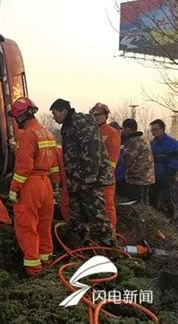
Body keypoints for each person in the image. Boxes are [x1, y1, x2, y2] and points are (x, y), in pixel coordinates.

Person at [49, 98, 115, 247]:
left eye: (55, 113)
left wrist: (90, 176)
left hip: (89, 180)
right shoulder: (68, 126)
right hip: (77, 181)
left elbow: (92, 149)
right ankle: (81, 248)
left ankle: (110, 249)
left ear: (64, 111)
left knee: (97, 216)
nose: (53, 117)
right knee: (76, 217)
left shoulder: (82, 122)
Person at [8, 97, 59, 277]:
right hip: (46, 186)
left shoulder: (27, 135)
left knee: (27, 228)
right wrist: (55, 183)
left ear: (20, 117)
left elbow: (24, 167)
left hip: (31, 185)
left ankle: (34, 271)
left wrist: (14, 189)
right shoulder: (46, 132)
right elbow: (53, 163)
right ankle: (46, 263)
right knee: (44, 227)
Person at [89, 103, 121, 230]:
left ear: (106, 116)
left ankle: (110, 233)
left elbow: (112, 159)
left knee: (107, 206)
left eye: (99, 114)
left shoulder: (112, 133)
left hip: (104, 178)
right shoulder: (91, 132)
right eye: (93, 114)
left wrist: (105, 175)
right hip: (92, 177)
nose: (95, 117)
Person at [149, 119, 178, 220]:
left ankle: (173, 221)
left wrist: (168, 172)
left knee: (169, 200)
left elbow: (175, 161)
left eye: (155, 129)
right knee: (153, 200)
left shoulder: (172, 144)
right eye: (152, 130)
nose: (153, 132)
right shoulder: (152, 144)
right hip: (154, 177)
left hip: (168, 177)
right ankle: (155, 221)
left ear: (162, 129)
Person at [121, 118, 155, 205]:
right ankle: (148, 217)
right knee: (145, 201)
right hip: (148, 176)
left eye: (123, 129)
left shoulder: (133, 141)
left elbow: (127, 160)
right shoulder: (144, 139)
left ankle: (141, 218)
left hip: (136, 178)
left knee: (135, 203)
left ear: (127, 129)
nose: (122, 131)